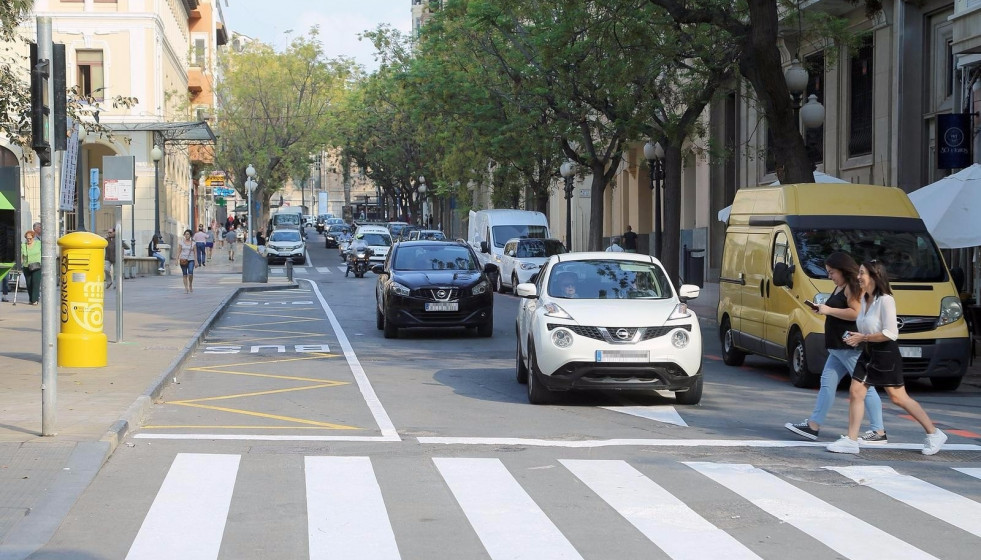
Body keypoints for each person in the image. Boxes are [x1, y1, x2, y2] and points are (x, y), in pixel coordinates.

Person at [828, 260, 948, 455]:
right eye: (858, 273)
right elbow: (865, 326)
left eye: (862, 273)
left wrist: (863, 337)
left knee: (898, 397)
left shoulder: (886, 300)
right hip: (868, 351)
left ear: (874, 277)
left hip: (886, 354)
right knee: (856, 392)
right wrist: (856, 338)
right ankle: (851, 440)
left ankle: (934, 433)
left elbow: (891, 333)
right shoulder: (865, 299)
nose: (858, 277)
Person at [785, 252, 886, 443]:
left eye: (832, 272)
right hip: (838, 348)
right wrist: (822, 308)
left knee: (864, 387)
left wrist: (828, 310)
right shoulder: (841, 286)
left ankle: (878, 431)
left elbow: (855, 313)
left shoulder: (853, 287)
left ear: (843, 270)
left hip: (849, 346)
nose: (829, 276)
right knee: (827, 384)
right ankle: (813, 425)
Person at [20, 230, 41, 305]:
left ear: (33, 238)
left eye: (30, 238)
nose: (29, 240)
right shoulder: (23, 245)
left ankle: (34, 300)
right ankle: (31, 299)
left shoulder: (38, 244)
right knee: (29, 284)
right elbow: (22, 256)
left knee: (35, 283)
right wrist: (20, 265)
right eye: (27, 238)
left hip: (36, 266)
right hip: (26, 266)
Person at [177, 229, 196, 294]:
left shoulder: (193, 243)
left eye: (188, 234)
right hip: (183, 259)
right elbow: (179, 251)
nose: (186, 235)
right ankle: (186, 288)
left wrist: (196, 261)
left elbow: (195, 253)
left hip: (191, 259)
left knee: (190, 273)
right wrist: (176, 259)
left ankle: (190, 284)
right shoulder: (181, 242)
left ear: (190, 235)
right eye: (185, 234)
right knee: (184, 274)